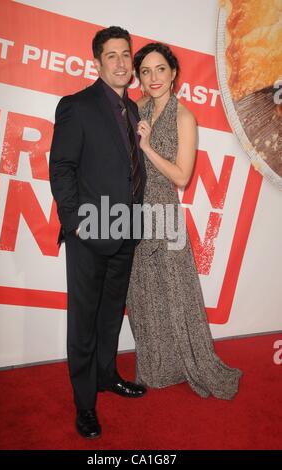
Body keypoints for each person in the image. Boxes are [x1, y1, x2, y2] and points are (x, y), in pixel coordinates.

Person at [126, 42, 242, 399]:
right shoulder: (136, 108)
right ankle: (158, 366)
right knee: (143, 293)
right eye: (145, 71)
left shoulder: (184, 117)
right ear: (139, 79)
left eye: (160, 69)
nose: (153, 77)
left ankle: (189, 362)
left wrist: (146, 148)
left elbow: (181, 176)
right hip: (131, 212)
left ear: (173, 73)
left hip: (164, 212)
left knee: (175, 292)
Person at [49, 26, 147, 440]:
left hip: (125, 231)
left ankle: (107, 375)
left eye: (126, 55)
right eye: (112, 56)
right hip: (89, 234)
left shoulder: (135, 110)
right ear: (97, 62)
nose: (122, 63)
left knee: (111, 315)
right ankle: (85, 404)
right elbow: (62, 168)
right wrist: (74, 224)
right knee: (84, 321)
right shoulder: (77, 106)